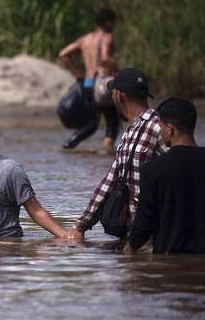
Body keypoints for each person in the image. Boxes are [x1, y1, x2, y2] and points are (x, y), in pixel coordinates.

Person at [65, 68, 168, 241]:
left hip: (152, 235)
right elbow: (110, 181)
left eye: (112, 92)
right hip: (131, 235)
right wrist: (80, 227)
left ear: (119, 96)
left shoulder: (157, 128)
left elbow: (179, 170)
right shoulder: (129, 132)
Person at [124, 98, 205, 254]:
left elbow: (143, 223)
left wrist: (129, 249)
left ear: (170, 129)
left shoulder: (154, 169)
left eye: (161, 127)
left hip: (168, 265)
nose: (161, 132)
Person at [58, 8, 121, 150]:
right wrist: (120, 72)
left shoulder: (85, 39)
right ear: (107, 23)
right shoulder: (107, 36)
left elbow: (63, 54)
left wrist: (77, 72)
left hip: (87, 82)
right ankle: (109, 155)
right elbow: (105, 58)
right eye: (113, 22)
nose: (114, 25)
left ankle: (67, 147)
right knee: (112, 122)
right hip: (101, 83)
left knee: (92, 123)